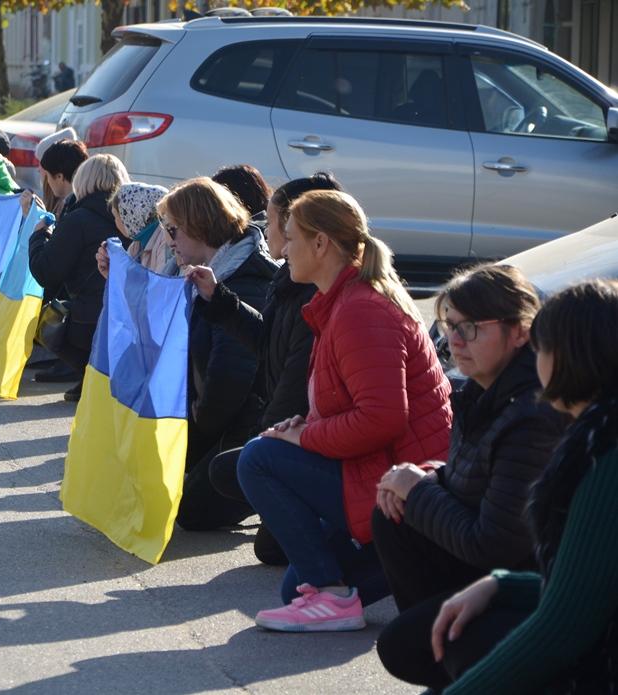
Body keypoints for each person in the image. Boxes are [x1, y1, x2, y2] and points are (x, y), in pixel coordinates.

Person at [237, 189, 452, 632]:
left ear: (321, 245)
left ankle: (355, 585)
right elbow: (357, 406)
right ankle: (406, 564)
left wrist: (306, 437)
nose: (285, 248)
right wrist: (310, 423)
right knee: (293, 589)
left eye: (292, 237)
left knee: (258, 458)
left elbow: (383, 418)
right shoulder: (342, 302)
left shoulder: (360, 310)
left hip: (403, 484)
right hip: (381, 472)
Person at [374, 265, 566, 690]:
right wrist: (430, 476)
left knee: (401, 645)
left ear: (521, 332)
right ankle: (449, 656)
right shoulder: (484, 389)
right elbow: (482, 480)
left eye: (472, 328)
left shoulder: (531, 415)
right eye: (450, 325)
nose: (455, 341)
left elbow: (494, 543)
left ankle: (455, 659)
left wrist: (420, 489)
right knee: (393, 509)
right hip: (491, 563)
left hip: (529, 584)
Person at [421, 280, 618, 694]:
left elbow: (565, 623)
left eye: (541, 349)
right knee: (432, 637)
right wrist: (502, 584)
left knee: (458, 644)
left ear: (571, 358)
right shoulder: (595, 433)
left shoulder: (604, 455)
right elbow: (589, 584)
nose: (535, 361)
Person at [177, 174, 339, 558]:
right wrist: (219, 299)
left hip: (306, 436)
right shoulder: (290, 278)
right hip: (284, 424)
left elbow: (293, 390)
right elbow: (268, 344)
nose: (268, 236)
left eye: (274, 222)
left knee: (271, 547)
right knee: (205, 492)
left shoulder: (320, 297)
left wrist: (261, 447)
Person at [157, 177, 276, 467]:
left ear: (199, 224)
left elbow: (231, 373)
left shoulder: (245, 283)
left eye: (173, 230)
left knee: (189, 513)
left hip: (227, 436)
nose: (169, 241)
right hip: (201, 428)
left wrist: (197, 426)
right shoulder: (190, 272)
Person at [28, 154, 129, 402]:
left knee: (48, 319)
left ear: (82, 182)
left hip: (89, 319)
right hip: (127, 315)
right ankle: (95, 378)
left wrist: (39, 237)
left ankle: (89, 374)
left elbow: (46, 272)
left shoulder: (78, 219)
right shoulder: (131, 215)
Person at [107, 182, 171, 274]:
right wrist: (111, 270)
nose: (115, 222)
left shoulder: (165, 239)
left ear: (129, 216)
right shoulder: (136, 245)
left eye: (116, 216)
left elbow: (160, 284)